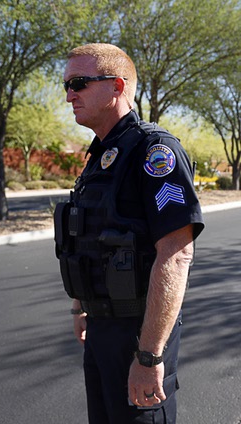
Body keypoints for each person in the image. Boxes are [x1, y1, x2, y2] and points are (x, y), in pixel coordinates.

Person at [54, 43, 204, 424]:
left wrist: (150, 355)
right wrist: (80, 305)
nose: (70, 93)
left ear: (118, 86)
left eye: (80, 82)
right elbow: (87, 239)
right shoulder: (100, 155)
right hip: (101, 329)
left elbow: (176, 252)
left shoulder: (154, 152)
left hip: (139, 334)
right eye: (67, 83)